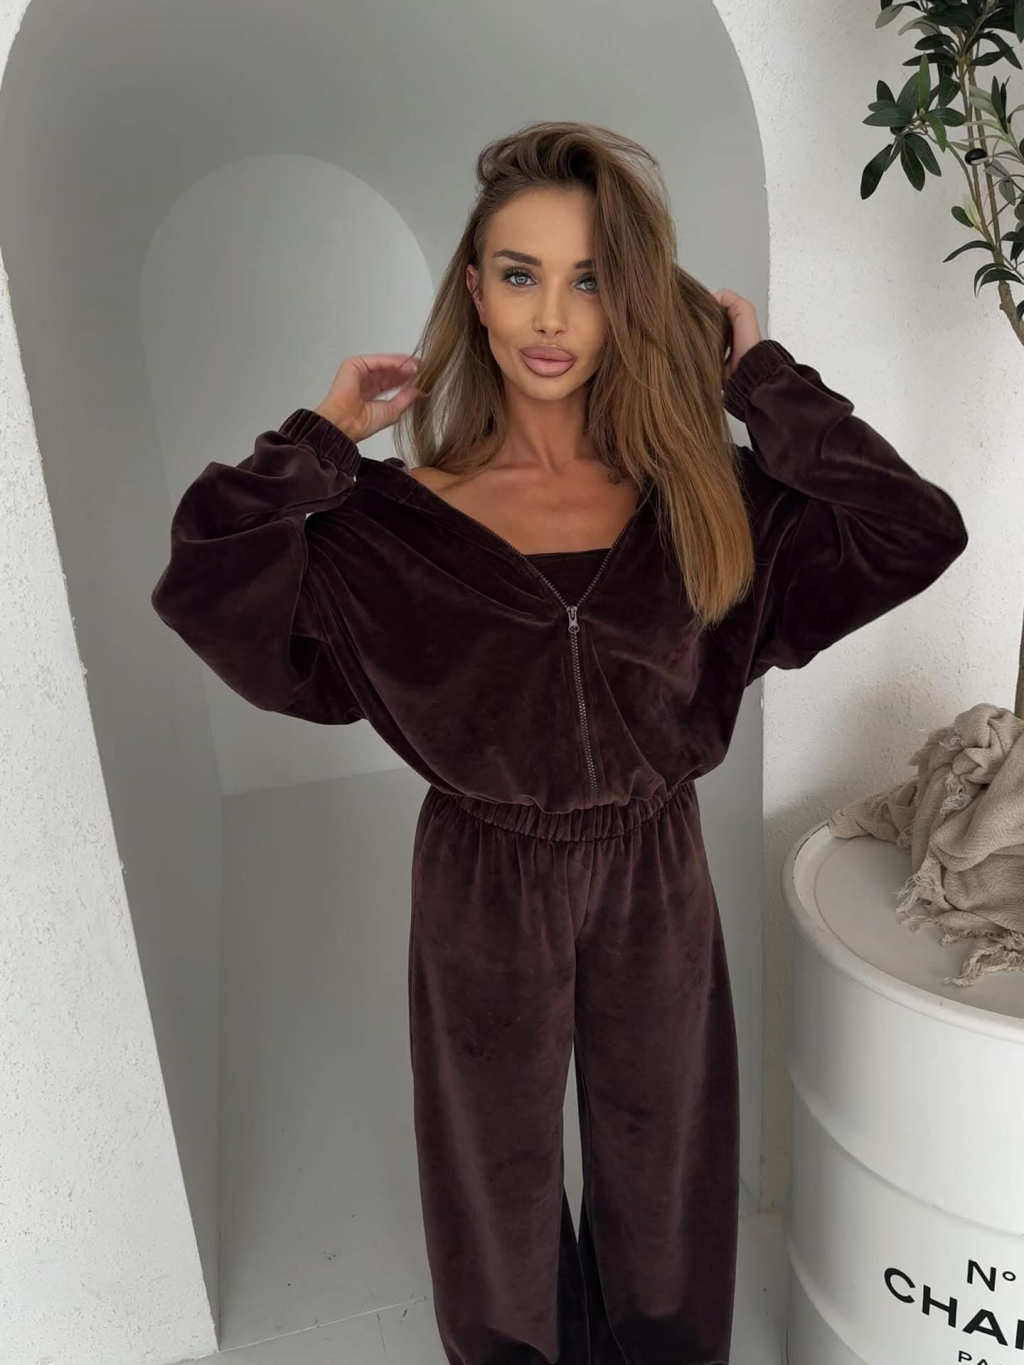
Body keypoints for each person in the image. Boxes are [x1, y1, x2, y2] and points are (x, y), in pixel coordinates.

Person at [150, 120, 969, 1365]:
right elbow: (207, 579)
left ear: (626, 300)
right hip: (480, 877)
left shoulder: (705, 498)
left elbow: (913, 528)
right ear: (474, 294)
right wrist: (319, 438)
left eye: (588, 279)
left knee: (664, 1150)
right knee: (495, 1167)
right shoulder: (388, 527)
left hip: (654, 865)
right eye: (520, 273)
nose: (550, 314)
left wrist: (764, 382)